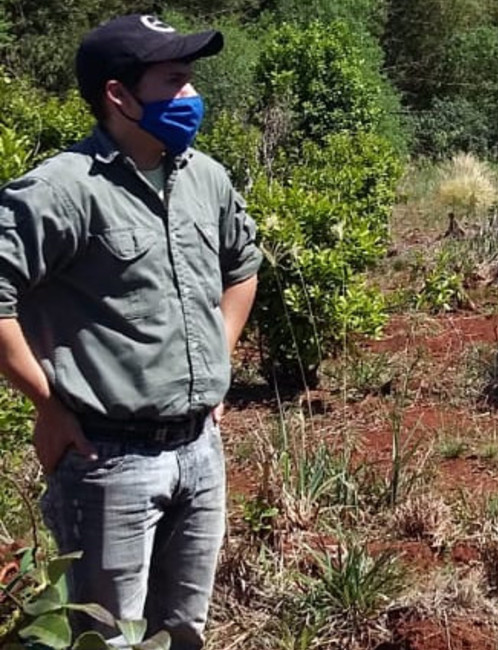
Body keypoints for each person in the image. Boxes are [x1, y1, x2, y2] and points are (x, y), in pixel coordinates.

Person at [0, 14, 262, 648]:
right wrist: (48, 403)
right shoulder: (61, 191)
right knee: (105, 637)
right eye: (175, 80)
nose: (192, 96)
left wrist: (216, 364)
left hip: (201, 451)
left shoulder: (206, 177)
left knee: (181, 633)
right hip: (108, 460)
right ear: (119, 95)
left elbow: (242, 267)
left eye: (191, 79)